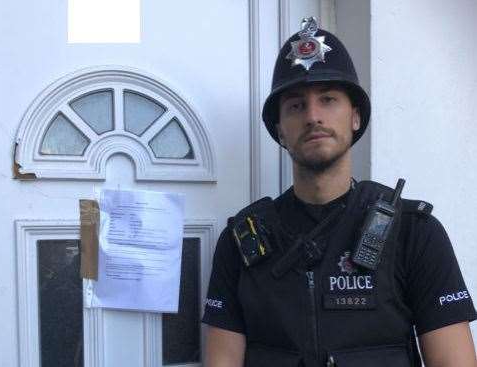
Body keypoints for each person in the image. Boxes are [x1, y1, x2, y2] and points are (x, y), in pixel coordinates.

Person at [201, 17, 477, 367]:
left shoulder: (414, 233)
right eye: (296, 105)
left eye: (328, 99)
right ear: (280, 130)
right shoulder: (241, 241)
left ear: (355, 117)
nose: (313, 116)